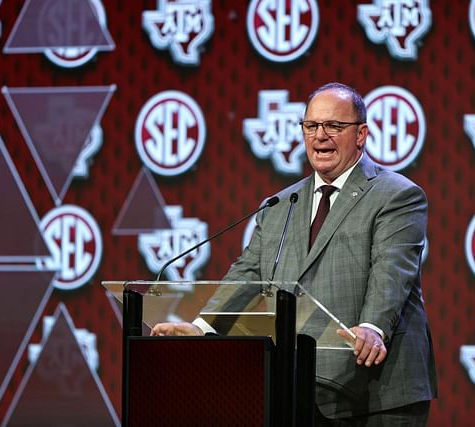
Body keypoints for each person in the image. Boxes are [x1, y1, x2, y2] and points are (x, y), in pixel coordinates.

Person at [152, 82, 437, 426]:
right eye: (312, 126)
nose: (321, 136)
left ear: (361, 134)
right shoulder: (280, 205)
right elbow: (248, 273)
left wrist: (372, 326)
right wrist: (203, 326)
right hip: (300, 390)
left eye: (334, 126)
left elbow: (391, 271)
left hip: (377, 391)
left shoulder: (396, 195)